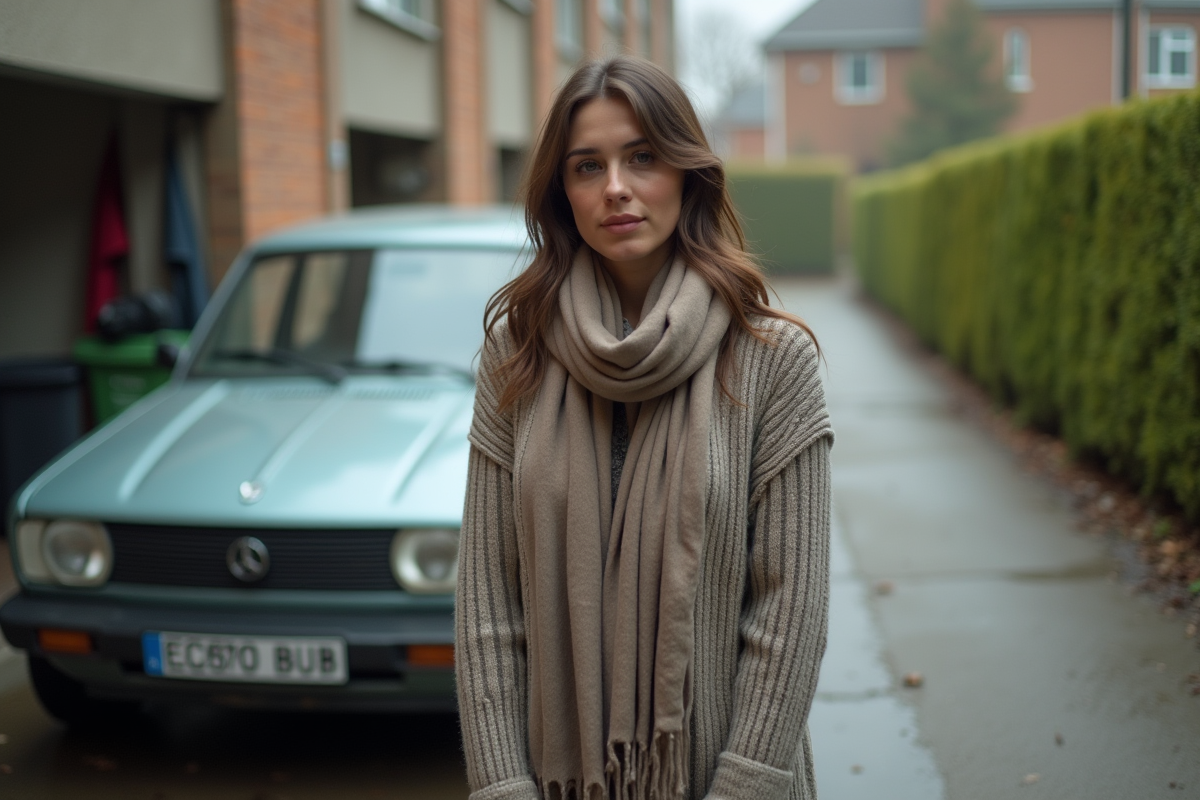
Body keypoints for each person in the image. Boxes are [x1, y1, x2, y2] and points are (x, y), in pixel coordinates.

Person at [456, 55, 833, 800]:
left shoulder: (770, 359)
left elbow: (790, 615)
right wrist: (502, 786)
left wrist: (739, 789)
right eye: (587, 166)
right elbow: (488, 605)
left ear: (688, 173)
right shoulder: (516, 353)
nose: (616, 188)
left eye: (642, 158)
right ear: (562, 193)